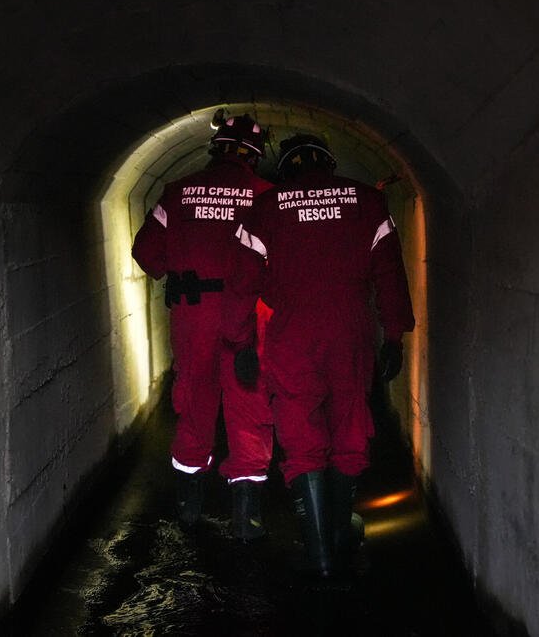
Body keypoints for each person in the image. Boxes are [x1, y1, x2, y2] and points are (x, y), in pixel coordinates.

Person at [223, 134, 415, 577]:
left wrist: (241, 343)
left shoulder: (265, 208)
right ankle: (340, 531)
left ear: (285, 170)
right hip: (351, 331)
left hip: (292, 333)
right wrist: (394, 336)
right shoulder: (367, 201)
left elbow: (242, 281)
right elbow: (390, 273)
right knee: (349, 424)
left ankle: (320, 556)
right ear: (329, 163)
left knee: (300, 430)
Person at [131, 112, 274, 541]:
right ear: (254, 155)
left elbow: (146, 252)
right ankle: (246, 520)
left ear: (216, 149)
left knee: (194, 400)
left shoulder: (178, 192)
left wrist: (178, 269)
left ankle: (189, 511)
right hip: (248, 313)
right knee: (249, 405)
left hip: (193, 314)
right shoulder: (266, 196)